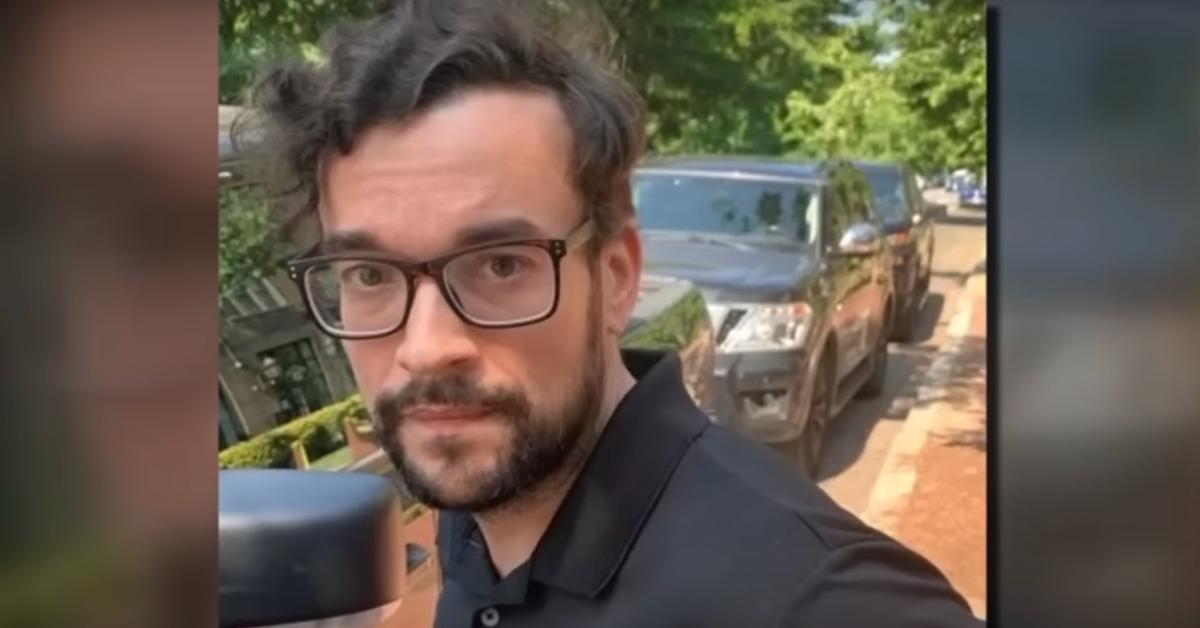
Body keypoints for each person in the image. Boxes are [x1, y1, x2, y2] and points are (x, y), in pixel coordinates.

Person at [246, 1, 983, 625]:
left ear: (618, 276)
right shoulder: (474, 510)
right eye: (370, 273)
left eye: (502, 264)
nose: (427, 348)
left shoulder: (827, 601)